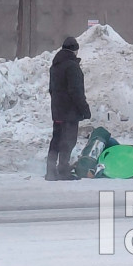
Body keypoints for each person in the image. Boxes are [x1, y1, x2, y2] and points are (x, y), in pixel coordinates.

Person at [46, 36, 91, 181]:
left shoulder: (55, 66)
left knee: (56, 139)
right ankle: (63, 170)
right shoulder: (72, 66)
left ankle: (50, 171)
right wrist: (84, 109)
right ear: (75, 50)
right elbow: (76, 91)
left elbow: (51, 89)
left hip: (57, 111)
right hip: (70, 112)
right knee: (68, 141)